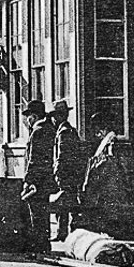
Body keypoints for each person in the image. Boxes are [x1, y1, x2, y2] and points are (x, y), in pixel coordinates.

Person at [79, 112, 127, 235]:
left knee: (109, 211)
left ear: (103, 128)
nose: (96, 134)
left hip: (109, 183)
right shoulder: (106, 141)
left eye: (97, 130)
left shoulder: (111, 140)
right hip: (106, 183)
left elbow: (110, 161)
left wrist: (95, 168)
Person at [21, 100, 56, 255]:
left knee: (35, 214)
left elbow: (34, 159)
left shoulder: (38, 131)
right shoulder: (50, 129)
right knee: (43, 213)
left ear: (34, 116)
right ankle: (44, 245)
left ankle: (38, 246)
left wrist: (28, 180)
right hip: (46, 179)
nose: (27, 120)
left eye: (29, 116)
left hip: (36, 181)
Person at [50, 100, 85, 241]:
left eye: (54, 116)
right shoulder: (71, 130)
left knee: (64, 203)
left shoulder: (63, 132)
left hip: (65, 174)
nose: (53, 119)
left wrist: (57, 172)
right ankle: (68, 232)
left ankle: (65, 232)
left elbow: (62, 156)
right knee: (68, 202)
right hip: (72, 173)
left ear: (59, 116)